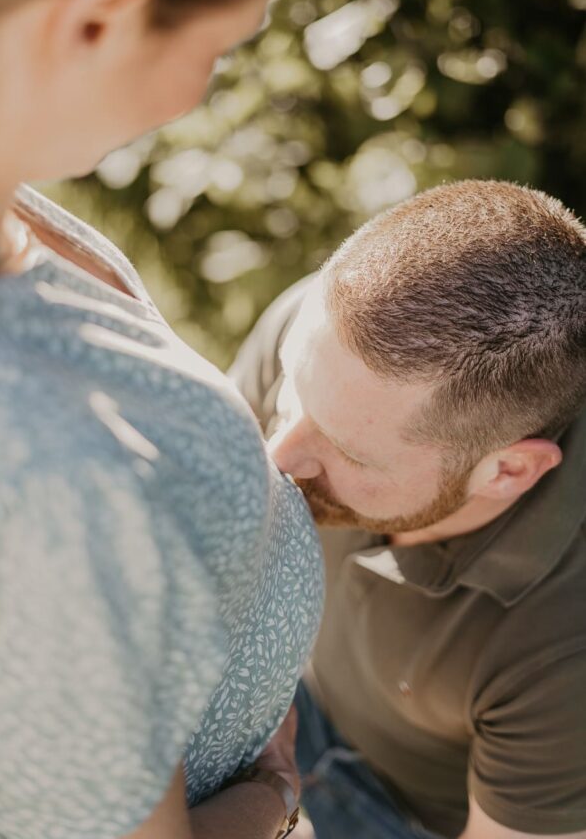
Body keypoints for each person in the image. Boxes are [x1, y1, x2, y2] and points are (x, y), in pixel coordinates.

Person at [0, 0, 343, 838]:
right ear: (99, 17)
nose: (204, 86)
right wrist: (273, 796)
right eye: (221, 43)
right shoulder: (11, 472)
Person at [230, 180, 586, 839]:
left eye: (347, 452)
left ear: (507, 471)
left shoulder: (567, 647)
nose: (277, 456)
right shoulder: (332, 347)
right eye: (291, 392)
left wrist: (264, 804)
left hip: (401, 812)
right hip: (297, 680)